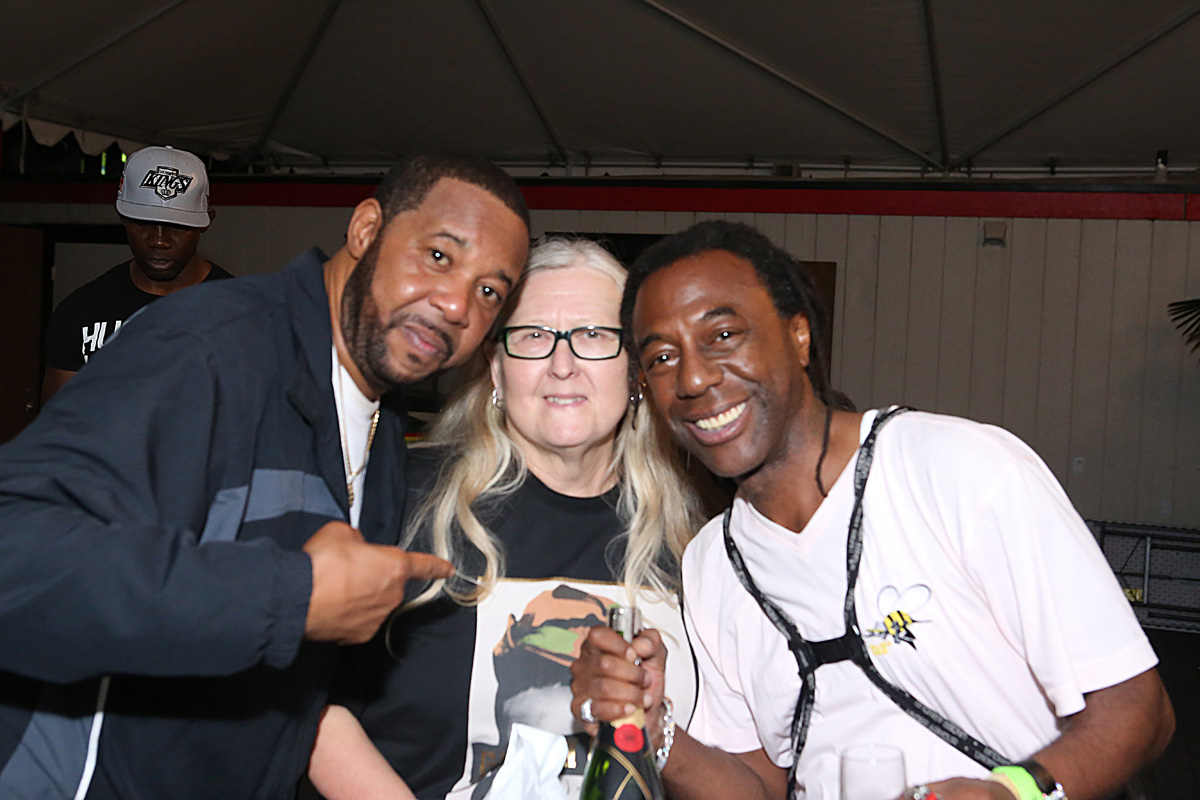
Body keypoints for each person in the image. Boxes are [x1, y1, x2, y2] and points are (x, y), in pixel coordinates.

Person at [570, 221, 1175, 800]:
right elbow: (757, 786)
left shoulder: (956, 468)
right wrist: (652, 727)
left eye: (723, 335)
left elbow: (1138, 711)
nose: (694, 378)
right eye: (662, 358)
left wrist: (1012, 791)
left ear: (799, 336)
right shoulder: (713, 565)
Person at [0, 151, 531, 799]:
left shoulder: (381, 428)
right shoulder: (210, 348)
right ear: (366, 230)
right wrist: (289, 596)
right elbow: (15, 561)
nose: (455, 305)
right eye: (439, 256)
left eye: (489, 291)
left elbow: (300, 697)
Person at [309, 237, 703, 800]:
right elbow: (311, 701)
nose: (562, 366)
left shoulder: (694, 540)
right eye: (534, 337)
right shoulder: (401, 496)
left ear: (636, 368)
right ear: (496, 366)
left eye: (594, 336)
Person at [42, 145, 234, 401]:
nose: (159, 240)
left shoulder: (242, 315)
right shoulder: (81, 312)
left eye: (177, 226)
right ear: (122, 216)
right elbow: (58, 418)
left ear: (206, 221)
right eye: (143, 222)